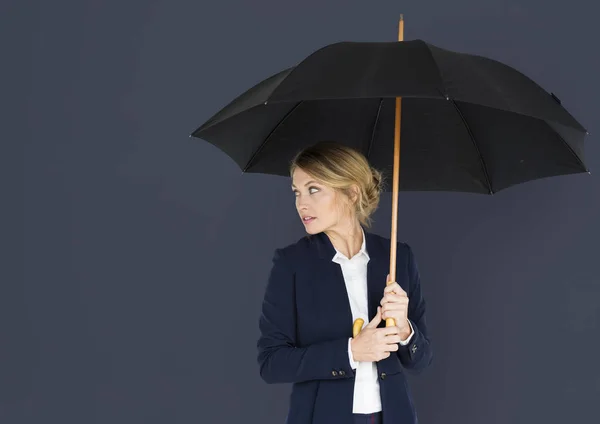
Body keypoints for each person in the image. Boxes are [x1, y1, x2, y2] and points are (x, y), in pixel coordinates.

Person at [257, 141, 433, 424]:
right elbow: (271, 363)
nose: (301, 203)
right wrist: (351, 351)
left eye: (314, 190)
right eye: (297, 192)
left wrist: (404, 329)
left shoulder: (398, 257)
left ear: (351, 193)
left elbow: (421, 360)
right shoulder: (292, 264)